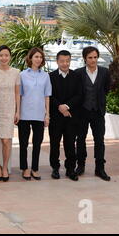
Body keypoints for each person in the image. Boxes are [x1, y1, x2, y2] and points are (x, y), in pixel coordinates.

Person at [75, 46, 111, 181]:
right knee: (80, 140)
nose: (93, 60)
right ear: (85, 58)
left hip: (98, 112)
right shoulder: (78, 73)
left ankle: (100, 168)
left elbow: (106, 89)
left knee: (99, 141)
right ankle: (80, 166)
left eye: (95, 57)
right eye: (90, 57)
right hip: (82, 112)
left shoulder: (104, 72)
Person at [0, 45, 21, 182]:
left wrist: (18, 111)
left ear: (10, 57)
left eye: (6, 55)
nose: (4, 58)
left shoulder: (16, 72)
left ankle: (5, 166)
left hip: (9, 110)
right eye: (1, 55)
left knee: (6, 141)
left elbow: (17, 93)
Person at [18, 47, 51, 181]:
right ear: (30, 58)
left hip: (39, 115)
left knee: (37, 143)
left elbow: (47, 96)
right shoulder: (22, 75)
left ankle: (35, 169)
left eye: (40, 57)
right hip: (24, 114)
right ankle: (25, 168)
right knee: (23, 143)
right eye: (36, 56)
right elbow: (19, 96)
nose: (38, 59)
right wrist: (17, 112)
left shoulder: (45, 76)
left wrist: (47, 114)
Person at [49, 50, 82, 181]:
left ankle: (70, 169)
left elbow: (79, 95)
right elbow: (49, 96)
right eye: (62, 61)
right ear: (57, 61)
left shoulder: (76, 76)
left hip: (71, 116)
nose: (65, 63)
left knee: (70, 144)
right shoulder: (50, 76)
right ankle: (55, 168)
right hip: (56, 117)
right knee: (54, 144)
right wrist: (60, 107)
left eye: (67, 61)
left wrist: (67, 106)